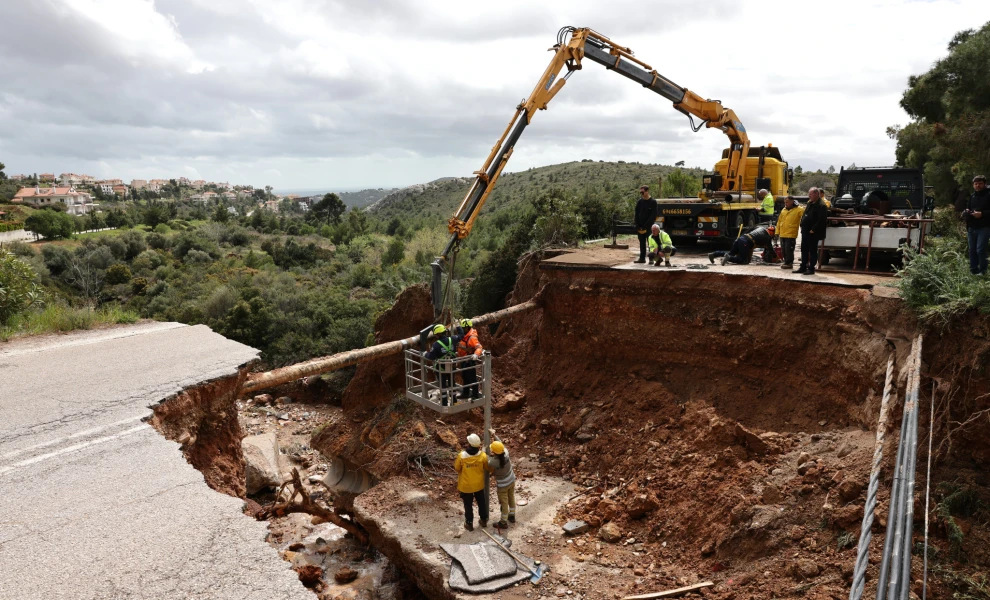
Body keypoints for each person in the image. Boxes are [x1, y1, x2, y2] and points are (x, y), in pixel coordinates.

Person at [454, 433, 490, 531]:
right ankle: (483, 520)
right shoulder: (482, 455)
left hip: (466, 486)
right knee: (481, 502)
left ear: (469, 443)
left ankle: (469, 524)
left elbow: (457, 468)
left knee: (468, 505)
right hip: (478, 485)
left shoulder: (462, 456)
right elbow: (488, 467)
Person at [795, 187, 829, 275]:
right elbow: (805, 214)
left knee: (812, 250)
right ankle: (803, 266)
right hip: (805, 231)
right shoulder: (810, 203)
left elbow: (821, 220)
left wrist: (813, 229)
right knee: (804, 249)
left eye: (810, 194)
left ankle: (811, 268)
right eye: (809, 194)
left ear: (816, 194)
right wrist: (802, 225)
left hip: (813, 233)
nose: (809, 196)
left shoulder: (822, 205)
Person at [425, 324, 461, 406]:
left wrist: (425, 354)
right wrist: (458, 326)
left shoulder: (436, 345)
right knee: (452, 382)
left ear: (438, 334)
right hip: (452, 366)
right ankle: (454, 400)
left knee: (443, 385)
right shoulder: (452, 339)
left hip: (441, 368)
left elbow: (431, 357)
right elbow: (461, 335)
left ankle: (444, 402)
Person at [487, 429, 516, 528]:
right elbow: (500, 444)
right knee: (511, 497)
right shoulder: (506, 453)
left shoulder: (493, 462)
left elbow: (485, 459)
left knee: (504, 503)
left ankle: (503, 522)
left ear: (494, 452)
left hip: (503, 485)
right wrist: (494, 435)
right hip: (511, 480)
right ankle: (512, 516)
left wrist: (483, 449)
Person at [708, 225, 775, 265]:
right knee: (743, 261)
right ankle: (729, 258)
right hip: (745, 243)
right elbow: (771, 249)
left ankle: (713, 254)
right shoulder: (768, 237)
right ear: (772, 233)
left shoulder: (761, 228)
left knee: (731, 253)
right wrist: (776, 257)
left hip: (741, 238)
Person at [964, 175, 990, 275]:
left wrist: (982, 214)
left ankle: (983, 271)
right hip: (972, 227)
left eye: (980, 183)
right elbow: (968, 208)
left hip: (984, 227)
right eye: (976, 184)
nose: (978, 186)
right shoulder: (972, 196)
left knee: (980, 250)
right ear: (973, 185)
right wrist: (966, 212)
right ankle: (973, 270)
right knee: (972, 250)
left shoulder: (988, 195)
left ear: (985, 184)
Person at [454, 318, 483, 400]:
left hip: (469, 361)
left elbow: (479, 347)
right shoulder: (465, 335)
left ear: (467, 328)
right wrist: (457, 325)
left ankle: (475, 395)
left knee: (472, 378)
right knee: (465, 377)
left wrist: (476, 354)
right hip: (464, 360)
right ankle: (465, 394)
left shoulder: (472, 337)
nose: (462, 330)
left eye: (463, 328)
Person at [774, 195, 804, 269]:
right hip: (783, 233)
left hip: (791, 233)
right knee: (783, 249)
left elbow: (805, 218)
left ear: (792, 202)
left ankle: (789, 263)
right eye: (785, 202)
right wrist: (777, 232)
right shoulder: (783, 210)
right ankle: (786, 262)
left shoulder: (799, 209)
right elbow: (779, 221)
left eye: (787, 202)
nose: (785, 203)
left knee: (789, 249)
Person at [633, 185, 658, 264]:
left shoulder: (653, 202)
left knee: (651, 243)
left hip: (649, 227)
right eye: (640, 192)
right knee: (642, 243)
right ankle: (642, 258)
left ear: (647, 191)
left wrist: (646, 226)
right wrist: (637, 225)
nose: (641, 194)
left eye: (643, 192)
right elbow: (636, 214)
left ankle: (651, 259)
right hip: (640, 227)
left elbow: (653, 216)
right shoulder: (640, 202)